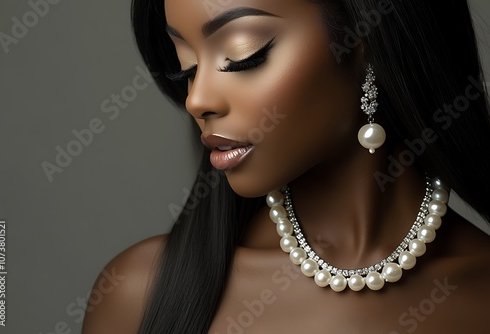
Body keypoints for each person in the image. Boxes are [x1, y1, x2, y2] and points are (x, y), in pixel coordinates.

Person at [82, 0, 490, 333]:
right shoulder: (138, 294)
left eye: (242, 55)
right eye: (186, 66)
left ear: (366, 41)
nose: (197, 99)